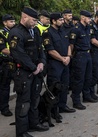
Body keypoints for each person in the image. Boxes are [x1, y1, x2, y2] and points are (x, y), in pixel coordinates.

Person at [8, 7, 49, 137]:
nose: (35, 23)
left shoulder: (35, 30)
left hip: (36, 71)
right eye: (33, 20)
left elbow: (40, 48)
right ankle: (21, 132)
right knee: (24, 103)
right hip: (24, 73)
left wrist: (42, 62)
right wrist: (33, 68)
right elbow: (18, 54)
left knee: (35, 99)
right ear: (24, 17)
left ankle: (34, 123)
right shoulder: (16, 32)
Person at [42, 12, 76, 115]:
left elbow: (68, 45)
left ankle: (62, 105)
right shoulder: (47, 33)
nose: (62, 21)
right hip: (55, 63)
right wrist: (62, 59)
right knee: (54, 86)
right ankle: (53, 110)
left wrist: (69, 56)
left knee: (64, 85)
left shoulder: (63, 31)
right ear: (53, 21)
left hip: (65, 61)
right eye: (60, 20)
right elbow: (50, 50)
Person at [70, 10, 97, 110]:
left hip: (88, 54)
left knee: (88, 77)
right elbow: (71, 44)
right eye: (88, 18)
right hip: (80, 55)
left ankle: (86, 96)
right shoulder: (76, 29)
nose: (90, 20)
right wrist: (70, 56)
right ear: (83, 18)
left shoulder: (88, 28)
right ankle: (76, 100)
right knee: (79, 79)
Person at [0, 14, 15, 117]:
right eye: (11, 22)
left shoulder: (15, 32)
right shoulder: (2, 33)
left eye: (14, 21)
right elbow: (3, 49)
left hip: (14, 61)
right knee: (4, 86)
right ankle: (4, 108)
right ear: (5, 23)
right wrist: (17, 53)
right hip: (4, 63)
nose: (13, 23)